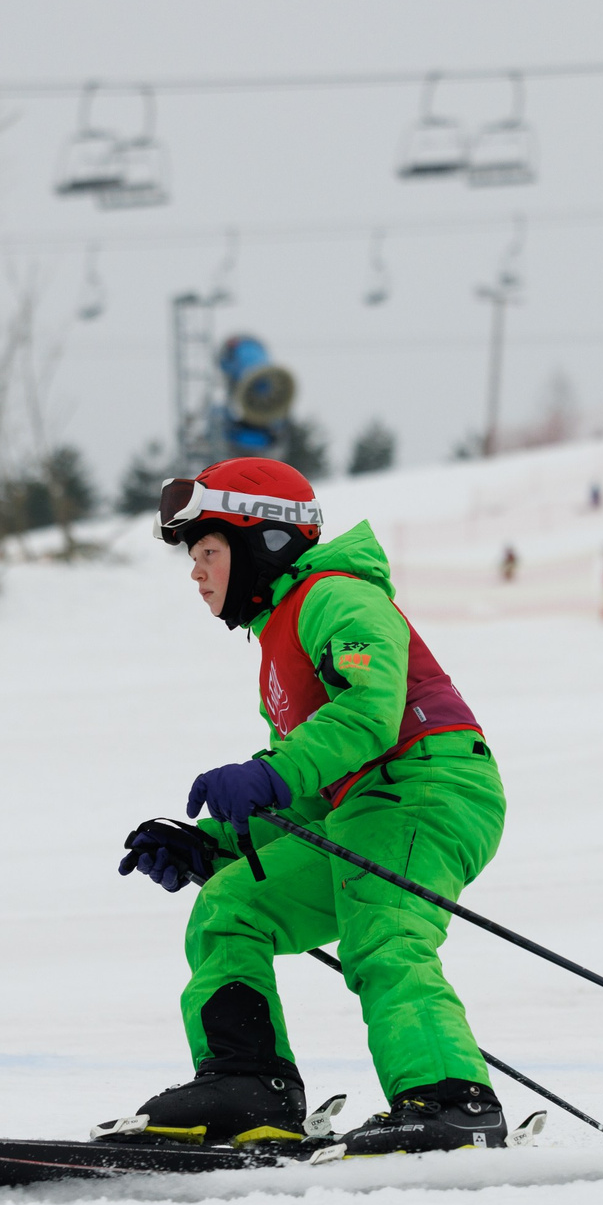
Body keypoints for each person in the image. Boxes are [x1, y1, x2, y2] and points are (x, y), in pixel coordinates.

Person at [115, 457, 510, 1155]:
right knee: (233, 904)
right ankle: (248, 1086)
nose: (196, 572)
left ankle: (452, 1102)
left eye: (208, 551)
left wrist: (267, 773)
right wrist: (214, 847)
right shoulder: (278, 640)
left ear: (264, 541)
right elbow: (308, 796)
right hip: (360, 807)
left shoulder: (339, 596)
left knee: (383, 931)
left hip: (426, 787)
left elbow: (367, 716)